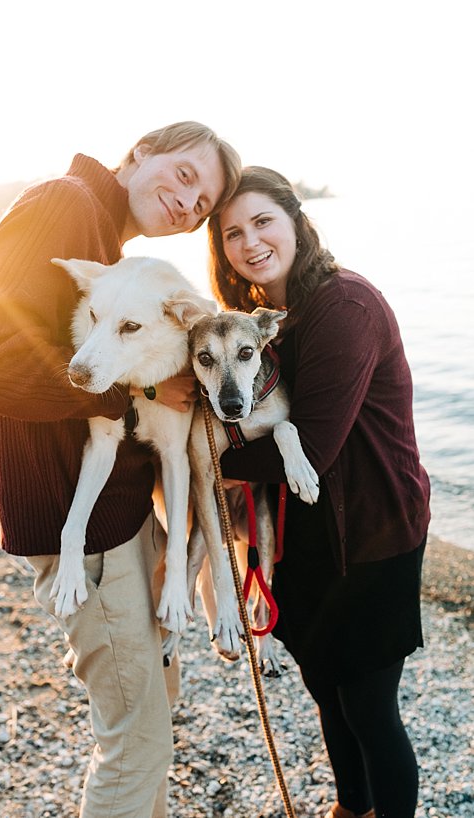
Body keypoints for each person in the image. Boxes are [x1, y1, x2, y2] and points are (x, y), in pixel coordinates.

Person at [0, 122, 241, 817]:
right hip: (82, 527)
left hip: (121, 516)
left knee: (153, 710)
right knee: (135, 741)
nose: (186, 202)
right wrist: (138, 389)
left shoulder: (108, 246)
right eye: (181, 175)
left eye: (201, 202)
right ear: (138, 152)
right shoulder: (64, 205)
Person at [211, 167, 430, 818]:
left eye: (263, 222)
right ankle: (349, 807)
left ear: (296, 221)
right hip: (303, 529)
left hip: (372, 529)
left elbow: (316, 445)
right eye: (231, 233)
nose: (250, 243)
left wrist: (210, 459)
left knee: (367, 704)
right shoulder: (260, 325)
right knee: (324, 683)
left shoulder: (344, 304)